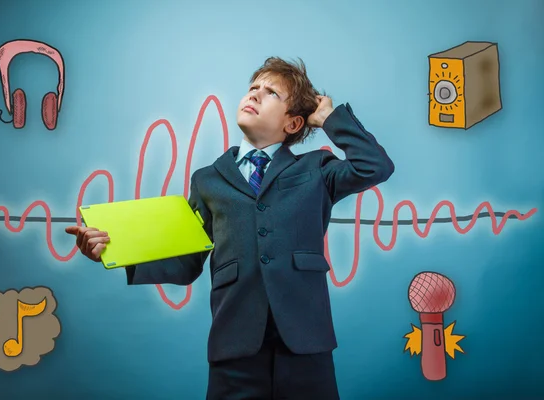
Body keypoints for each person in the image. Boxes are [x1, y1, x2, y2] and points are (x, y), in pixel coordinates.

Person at [66, 56, 395, 399]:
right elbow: (187, 260)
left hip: (305, 341)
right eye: (253, 88)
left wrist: (328, 117)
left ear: (294, 123)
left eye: (271, 94)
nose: (254, 95)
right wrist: (114, 252)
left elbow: (374, 166)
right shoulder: (208, 179)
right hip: (234, 344)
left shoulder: (317, 170)